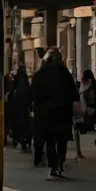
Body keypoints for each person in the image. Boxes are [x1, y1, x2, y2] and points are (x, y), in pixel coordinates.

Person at [30, 48, 78, 180]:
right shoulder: (65, 74)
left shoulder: (41, 74)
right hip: (63, 113)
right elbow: (74, 94)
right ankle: (60, 163)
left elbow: (34, 94)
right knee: (62, 140)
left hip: (47, 113)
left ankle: (53, 167)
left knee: (50, 141)